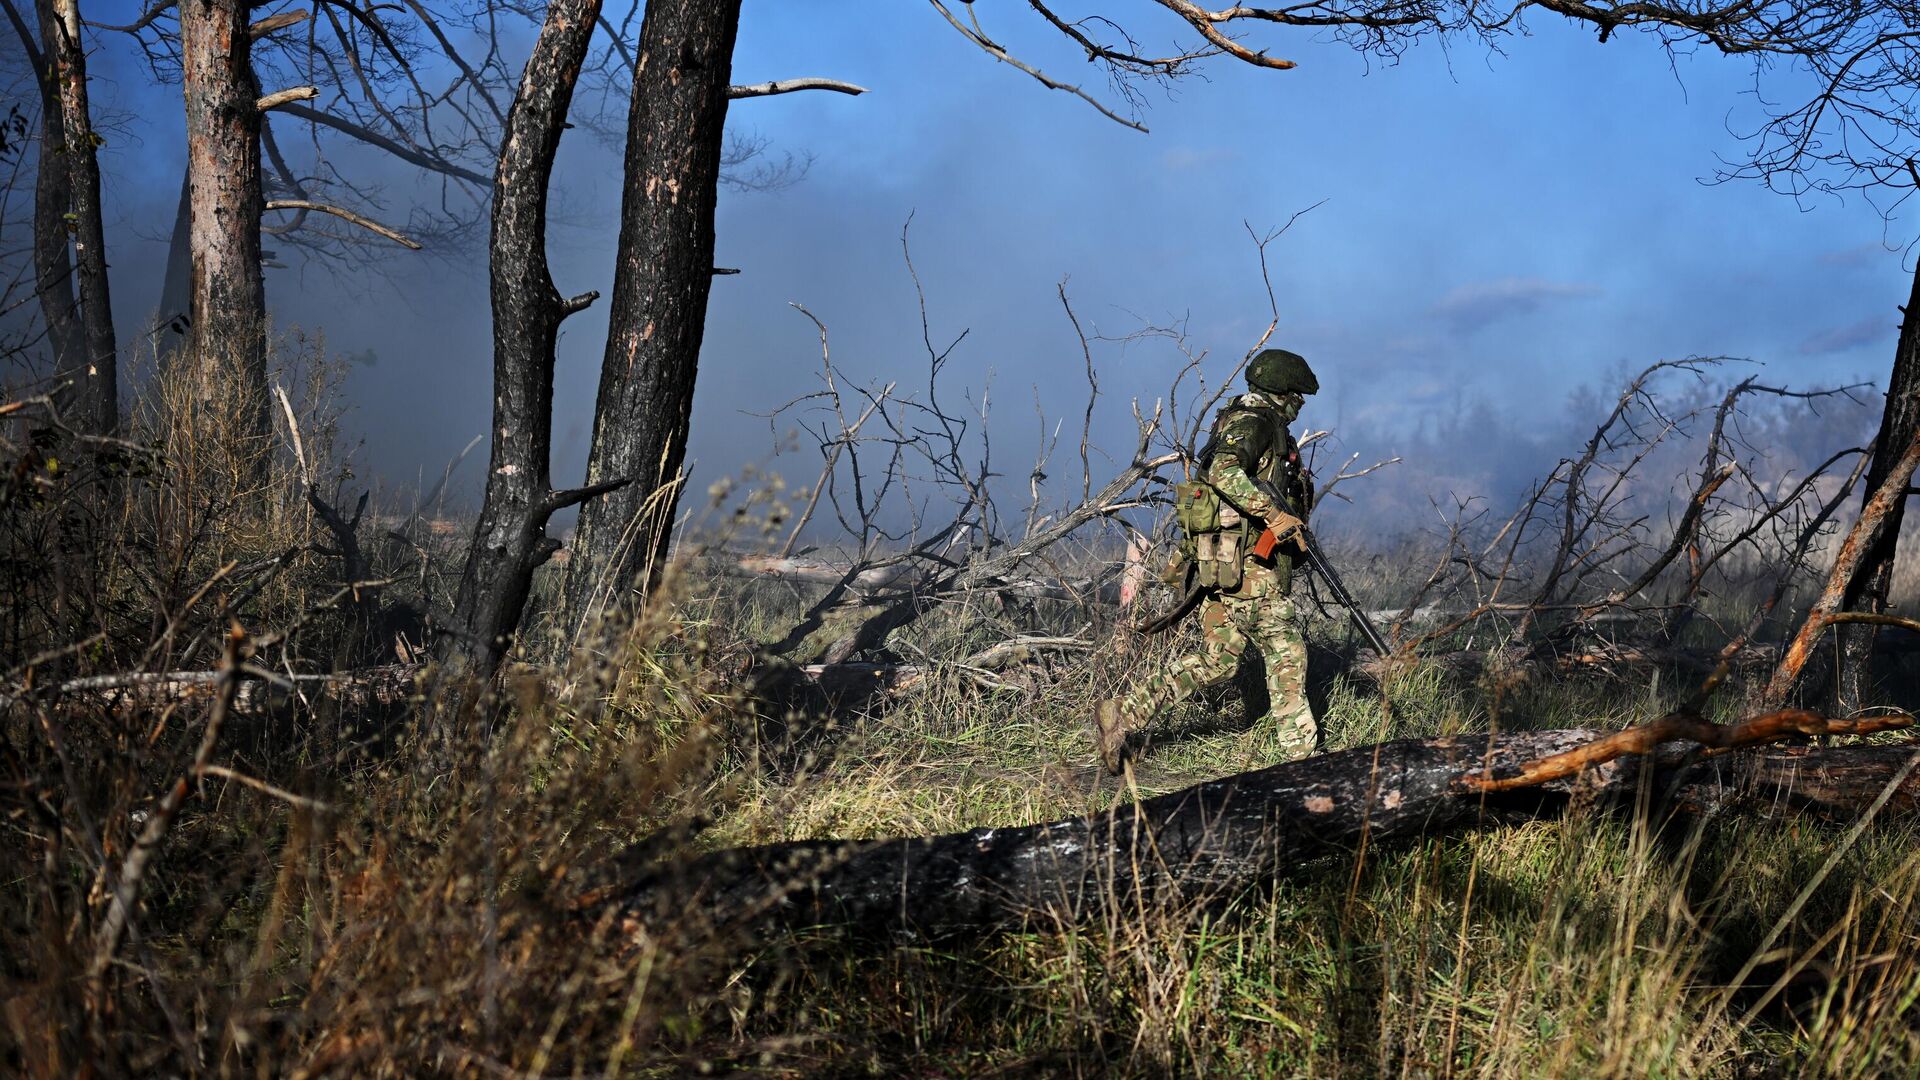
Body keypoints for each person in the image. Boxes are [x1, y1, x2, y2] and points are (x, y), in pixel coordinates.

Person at [1093, 348, 1320, 774]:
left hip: (1222, 561)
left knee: (1221, 660)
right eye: (1298, 396)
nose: (1300, 405)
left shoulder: (1239, 420)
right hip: (1248, 566)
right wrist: (1272, 514)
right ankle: (1302, 764)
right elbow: (1221, 472)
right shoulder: (1255, 422)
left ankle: (1123, 714)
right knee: (1284, 649)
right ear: (1282, 392)